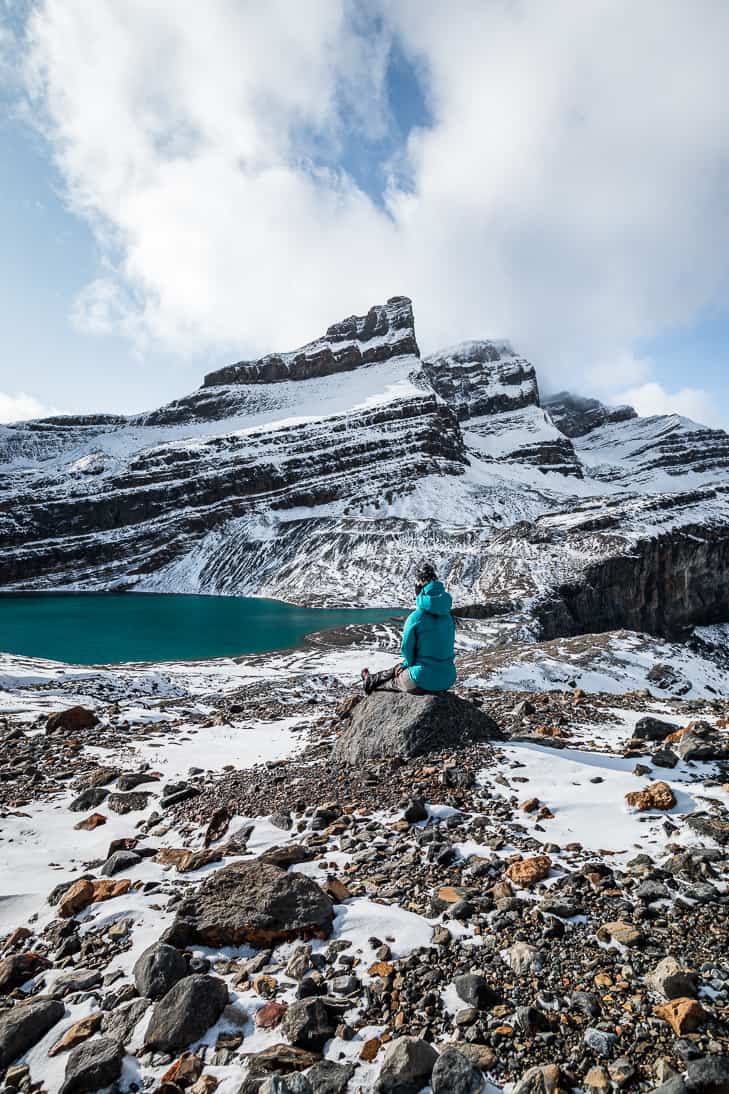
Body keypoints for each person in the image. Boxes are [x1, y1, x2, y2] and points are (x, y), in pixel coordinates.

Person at [361, 562, 456, 695]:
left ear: (419, 589)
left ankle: (370, 683)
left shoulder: (416, 618)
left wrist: (407, 664)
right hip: (447, 679)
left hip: (422, 680)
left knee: (392, 682)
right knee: (400, 667)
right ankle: (370, 679)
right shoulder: (448, 617)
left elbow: (406, 649)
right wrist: (406, 664)